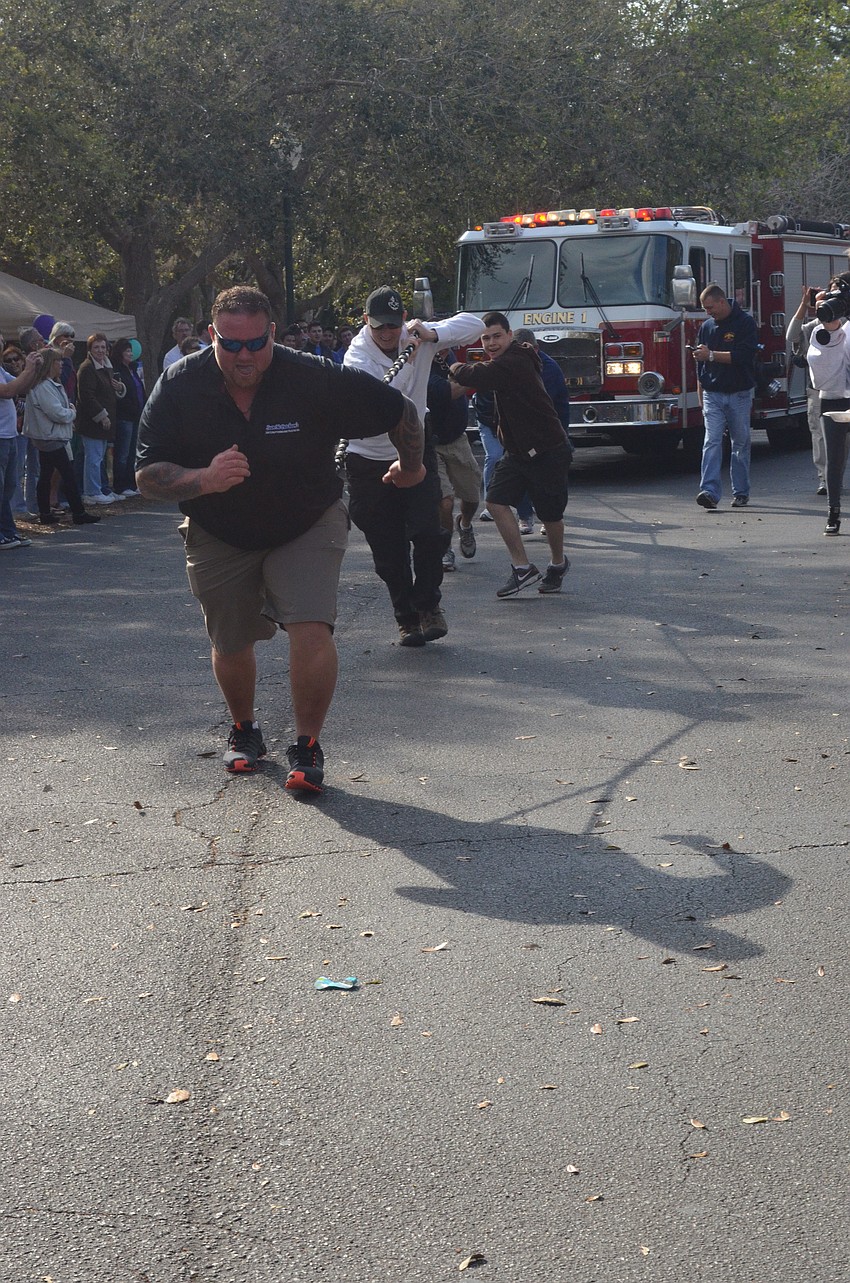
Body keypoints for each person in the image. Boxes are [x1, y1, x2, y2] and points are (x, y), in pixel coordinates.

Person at [135, 285, 425, 793]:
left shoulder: (312, 375)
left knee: (310, 626)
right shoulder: (180, 383)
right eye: (230, 344)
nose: (244, 356)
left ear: (272, 333)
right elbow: (146, 476)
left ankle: (307, 746)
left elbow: (400, 412)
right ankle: (244, 729)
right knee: (231, 639)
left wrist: (412, 466)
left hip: (307, 520)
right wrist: (204, 478)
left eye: (255, 343)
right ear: (211, 336)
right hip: (220, 528)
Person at [343, 285, 484, 645]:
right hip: (370, 459)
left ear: (404, 319)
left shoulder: (417, 335)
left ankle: (428, 605)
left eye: (394, 325)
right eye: (379, 326)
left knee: (430, 533)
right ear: (366, 321)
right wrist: (410, 358)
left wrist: (432, 334)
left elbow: (476, 325)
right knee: (388, 548)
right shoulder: (356, 357)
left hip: (417, 449)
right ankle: (405, 616)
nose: (387, 333)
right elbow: (388, 403)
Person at [449, 312, 572, 596]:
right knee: (494, 502)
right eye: (485, 338)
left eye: (496, 336)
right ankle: (522, 568)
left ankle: (557, 564)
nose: (491, 343)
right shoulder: (504, 361)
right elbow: (469, 382)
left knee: (550, 515)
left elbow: (471, 374)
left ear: (509, 335)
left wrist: (450, 361)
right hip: (517, 452)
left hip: (548, 449)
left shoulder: (515, 360)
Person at [693, 284, 758, 510]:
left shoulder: (745, 323)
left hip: (739, 394)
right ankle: (709, 492)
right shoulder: (707, 327)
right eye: (705, 308)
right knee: (711, 440)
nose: (708, 312)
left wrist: (711, 355)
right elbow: (700, 365)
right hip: (713, 394)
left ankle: (741, 492)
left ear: (722, 302)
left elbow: (744, 356)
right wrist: (701, 396)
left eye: (710, 307)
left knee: (740, 443)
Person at [22, 346, 100, 527]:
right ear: (50, 364)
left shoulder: (48, 385)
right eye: (58, 361)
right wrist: (72, 412)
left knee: (46, 474)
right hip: (51, 437)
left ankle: (45, 513)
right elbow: (56, 413)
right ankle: (78, 512)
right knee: (68, 474)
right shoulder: (44, 387)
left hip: (48, 436)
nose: (61, 364)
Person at [426, 351, 481, 572]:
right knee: (445, 501)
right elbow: (447, 391)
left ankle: (464, 524)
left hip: (458, 439)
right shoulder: (419, 362)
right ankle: (445, 548)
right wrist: (482, 374)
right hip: (431, 444)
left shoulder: (449, 355)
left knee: (472, 497)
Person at [805, 276, 850, 536]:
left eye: (840, 297)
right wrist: (831, 330)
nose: (835, 303)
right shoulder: (821, 330)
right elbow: (820, 377)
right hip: (833, 398)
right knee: (834, 459)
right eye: (831, 296)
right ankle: (833, 512)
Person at [0, 332, 40, 548]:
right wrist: (28, 369)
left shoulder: (0, 370)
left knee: (8, 487)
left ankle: (9, 532)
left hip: (9, 435)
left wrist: (33, 369)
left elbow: (22, 386)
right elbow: (8, 391)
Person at [76, 333, 125, 504]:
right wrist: (102, 416)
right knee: (93, 459)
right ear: (89, 349)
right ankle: (91, 492)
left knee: (99, 458)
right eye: (96, 347)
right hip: (92, 422)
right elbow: (87, 396)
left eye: (103, 347)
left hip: (105, 422)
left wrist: (120, 388)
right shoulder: (87, 368)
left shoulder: (107, 367)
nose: (100, 350)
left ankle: (100, 489)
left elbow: (108, 392)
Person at [110, 337, 146, 496]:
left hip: (137, 416)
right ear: (120, 353)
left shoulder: (133, 369)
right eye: (127, 351)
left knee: (133, 453)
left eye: (131, 351)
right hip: (124, 417)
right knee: (122, 453)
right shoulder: (117, 371)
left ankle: (131, 483)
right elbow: (120, 396)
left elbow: (140, 391)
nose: (130, 354)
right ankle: (120, 485)